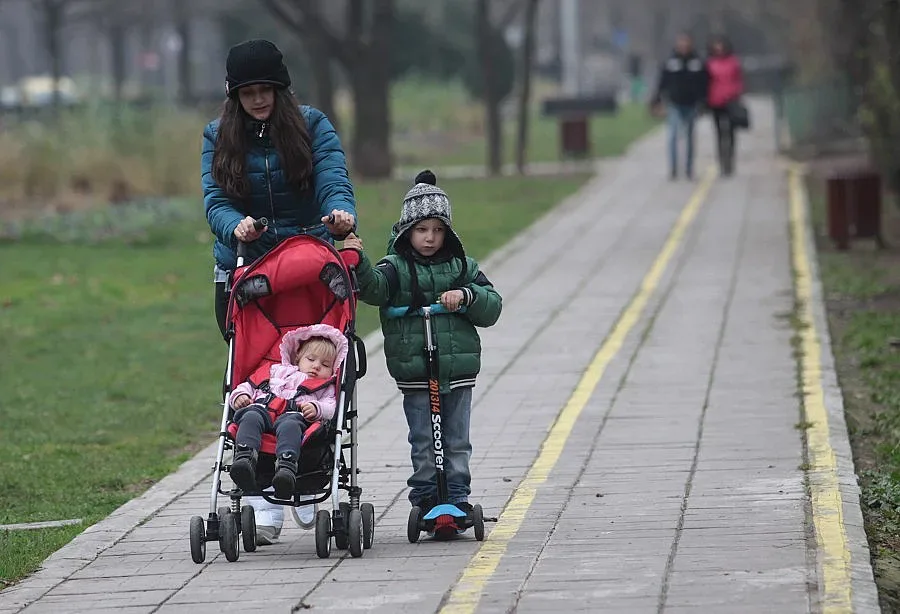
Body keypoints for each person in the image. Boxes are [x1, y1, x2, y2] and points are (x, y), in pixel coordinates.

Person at [202, 38, 356, 544]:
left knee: (313, 373)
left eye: (266, 89)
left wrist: (339, 215)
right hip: (249, 271)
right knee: (256, 375)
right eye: (248, 92)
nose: (258, 99)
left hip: (307, 266)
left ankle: (308, 476)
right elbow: (215, 199)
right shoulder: (217, 136)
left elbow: (332, 179)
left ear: (281, 90)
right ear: (234, 95)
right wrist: (234, 226)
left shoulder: (312, 125)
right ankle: (262, 499)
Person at [342, 170, 502, 524]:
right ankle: (427, 497)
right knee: (424, 441)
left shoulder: (461, 266)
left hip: (456, 370)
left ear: (448, 232)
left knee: (456, 440)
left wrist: (467, 296)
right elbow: (374, 289)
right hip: (416, 371)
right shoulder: (395, 268)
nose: (430, 238)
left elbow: (492, 305)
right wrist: (359, 261)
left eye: (438, 230)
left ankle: (457, 497)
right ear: (406, 230)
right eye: (422, 229)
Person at [229, 325, 346, 499]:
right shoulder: (276, 370)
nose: (316, 366)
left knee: (290, 426)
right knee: (250, 416)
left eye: (325, 364)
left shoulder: (325, 387)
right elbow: (249, 385)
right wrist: (240, 396)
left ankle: (286, 467)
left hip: (293, 416)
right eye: (311, 359)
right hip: (261, 409)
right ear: (298, 357)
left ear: (333, 368)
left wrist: (316, 408)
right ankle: (245, 458)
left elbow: (331, 407)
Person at [650, 32, 709, 180]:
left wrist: (703, 102)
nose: (684, 45)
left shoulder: (697, 63)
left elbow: (704, 83)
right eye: (681, 42)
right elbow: (662, 82)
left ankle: (689, 168)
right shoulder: (671, 62)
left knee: (689, 137)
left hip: (692, 104)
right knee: (673, 136)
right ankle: (673, 169)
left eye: (686, 42)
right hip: (674, 103)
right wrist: (656, 99)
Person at [706, 35, 744, 176]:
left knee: (731, 132)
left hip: (731, 100)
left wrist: (738, 93)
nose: (719, 48)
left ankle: (730, 159)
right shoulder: (710, 64)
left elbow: (739, 79)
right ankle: (722, 160)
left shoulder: (733, 62)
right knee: (719, 132)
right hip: (715, 101)